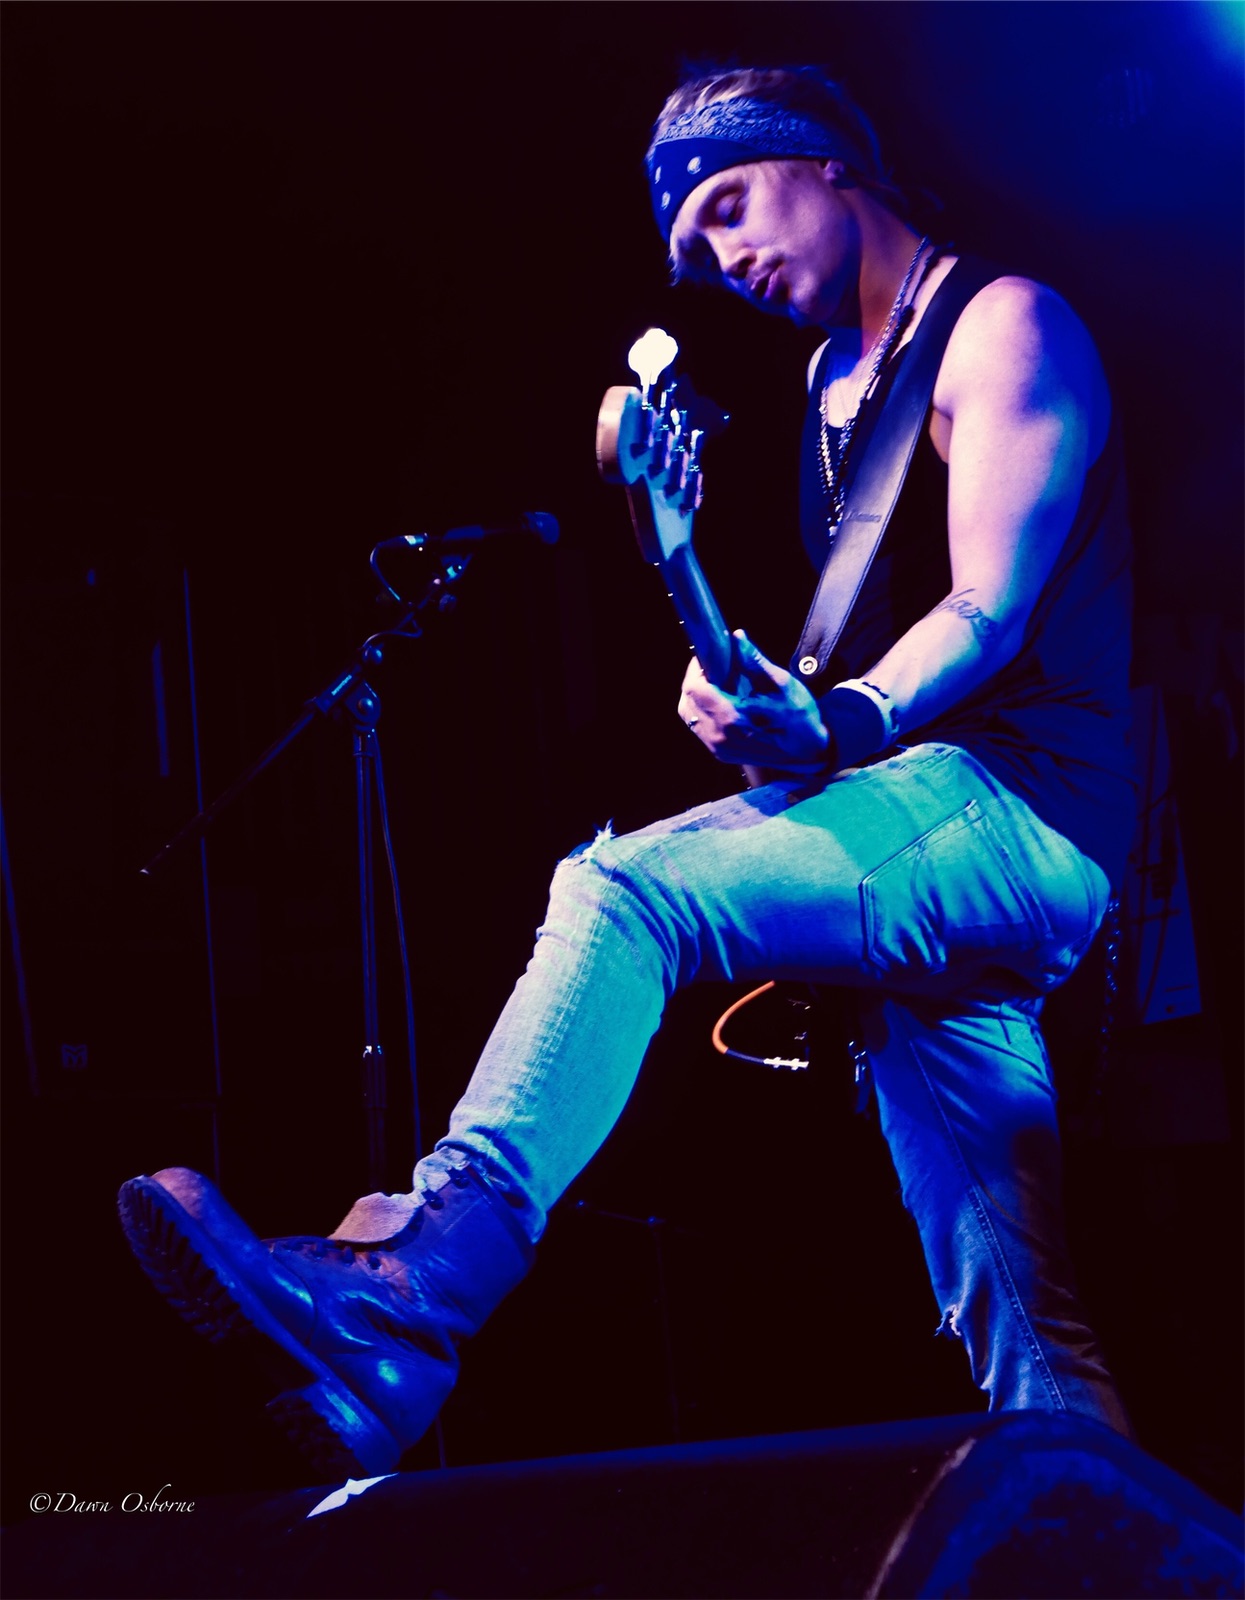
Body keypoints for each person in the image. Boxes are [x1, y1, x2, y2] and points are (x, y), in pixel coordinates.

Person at [119, 65, 1134, 1477]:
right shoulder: (830, 384)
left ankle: (415, 1288)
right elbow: (850, 664)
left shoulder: (1001, 323)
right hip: (927, 847)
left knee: (623, 892)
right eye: (694, 248)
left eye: (729, 206)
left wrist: (838, 719)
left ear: (828, 160)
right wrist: (755, 699)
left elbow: (985, 609)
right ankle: (1121, 1550)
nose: (723, 259)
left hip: (1018, 808)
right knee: (1020, 1319)